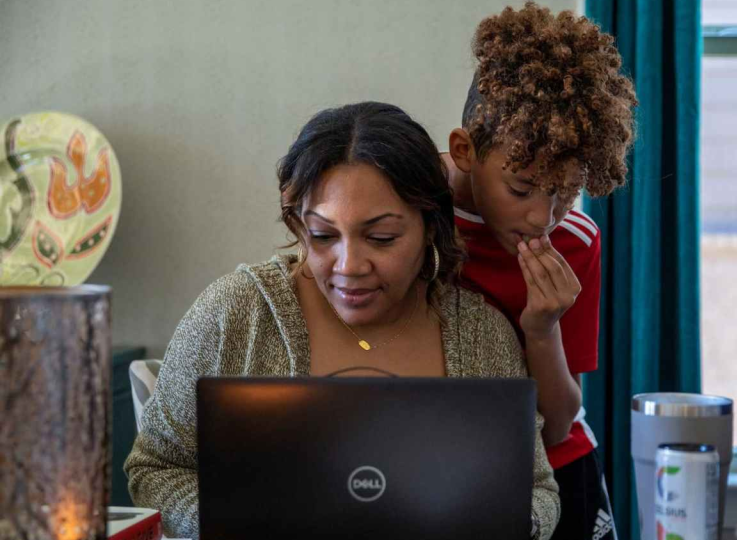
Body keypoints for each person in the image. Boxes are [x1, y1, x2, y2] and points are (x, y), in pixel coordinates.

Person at [124, 102, 560, 540]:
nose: (349, 265)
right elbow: (155, 470)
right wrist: (243, 526)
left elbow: (537, 490)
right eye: (323, 236)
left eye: (381, 238)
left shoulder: (480, 334)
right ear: (298, 224)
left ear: (430, 227)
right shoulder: (236, 313)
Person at [442, 4, 638, 539]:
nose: (542, 218)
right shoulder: (409, 211)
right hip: (439, 456)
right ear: (464, 151)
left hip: (551, 465)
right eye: (522, 188)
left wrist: (542, 328)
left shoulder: (575, 243)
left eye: (564, 192)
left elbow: (558, 423)